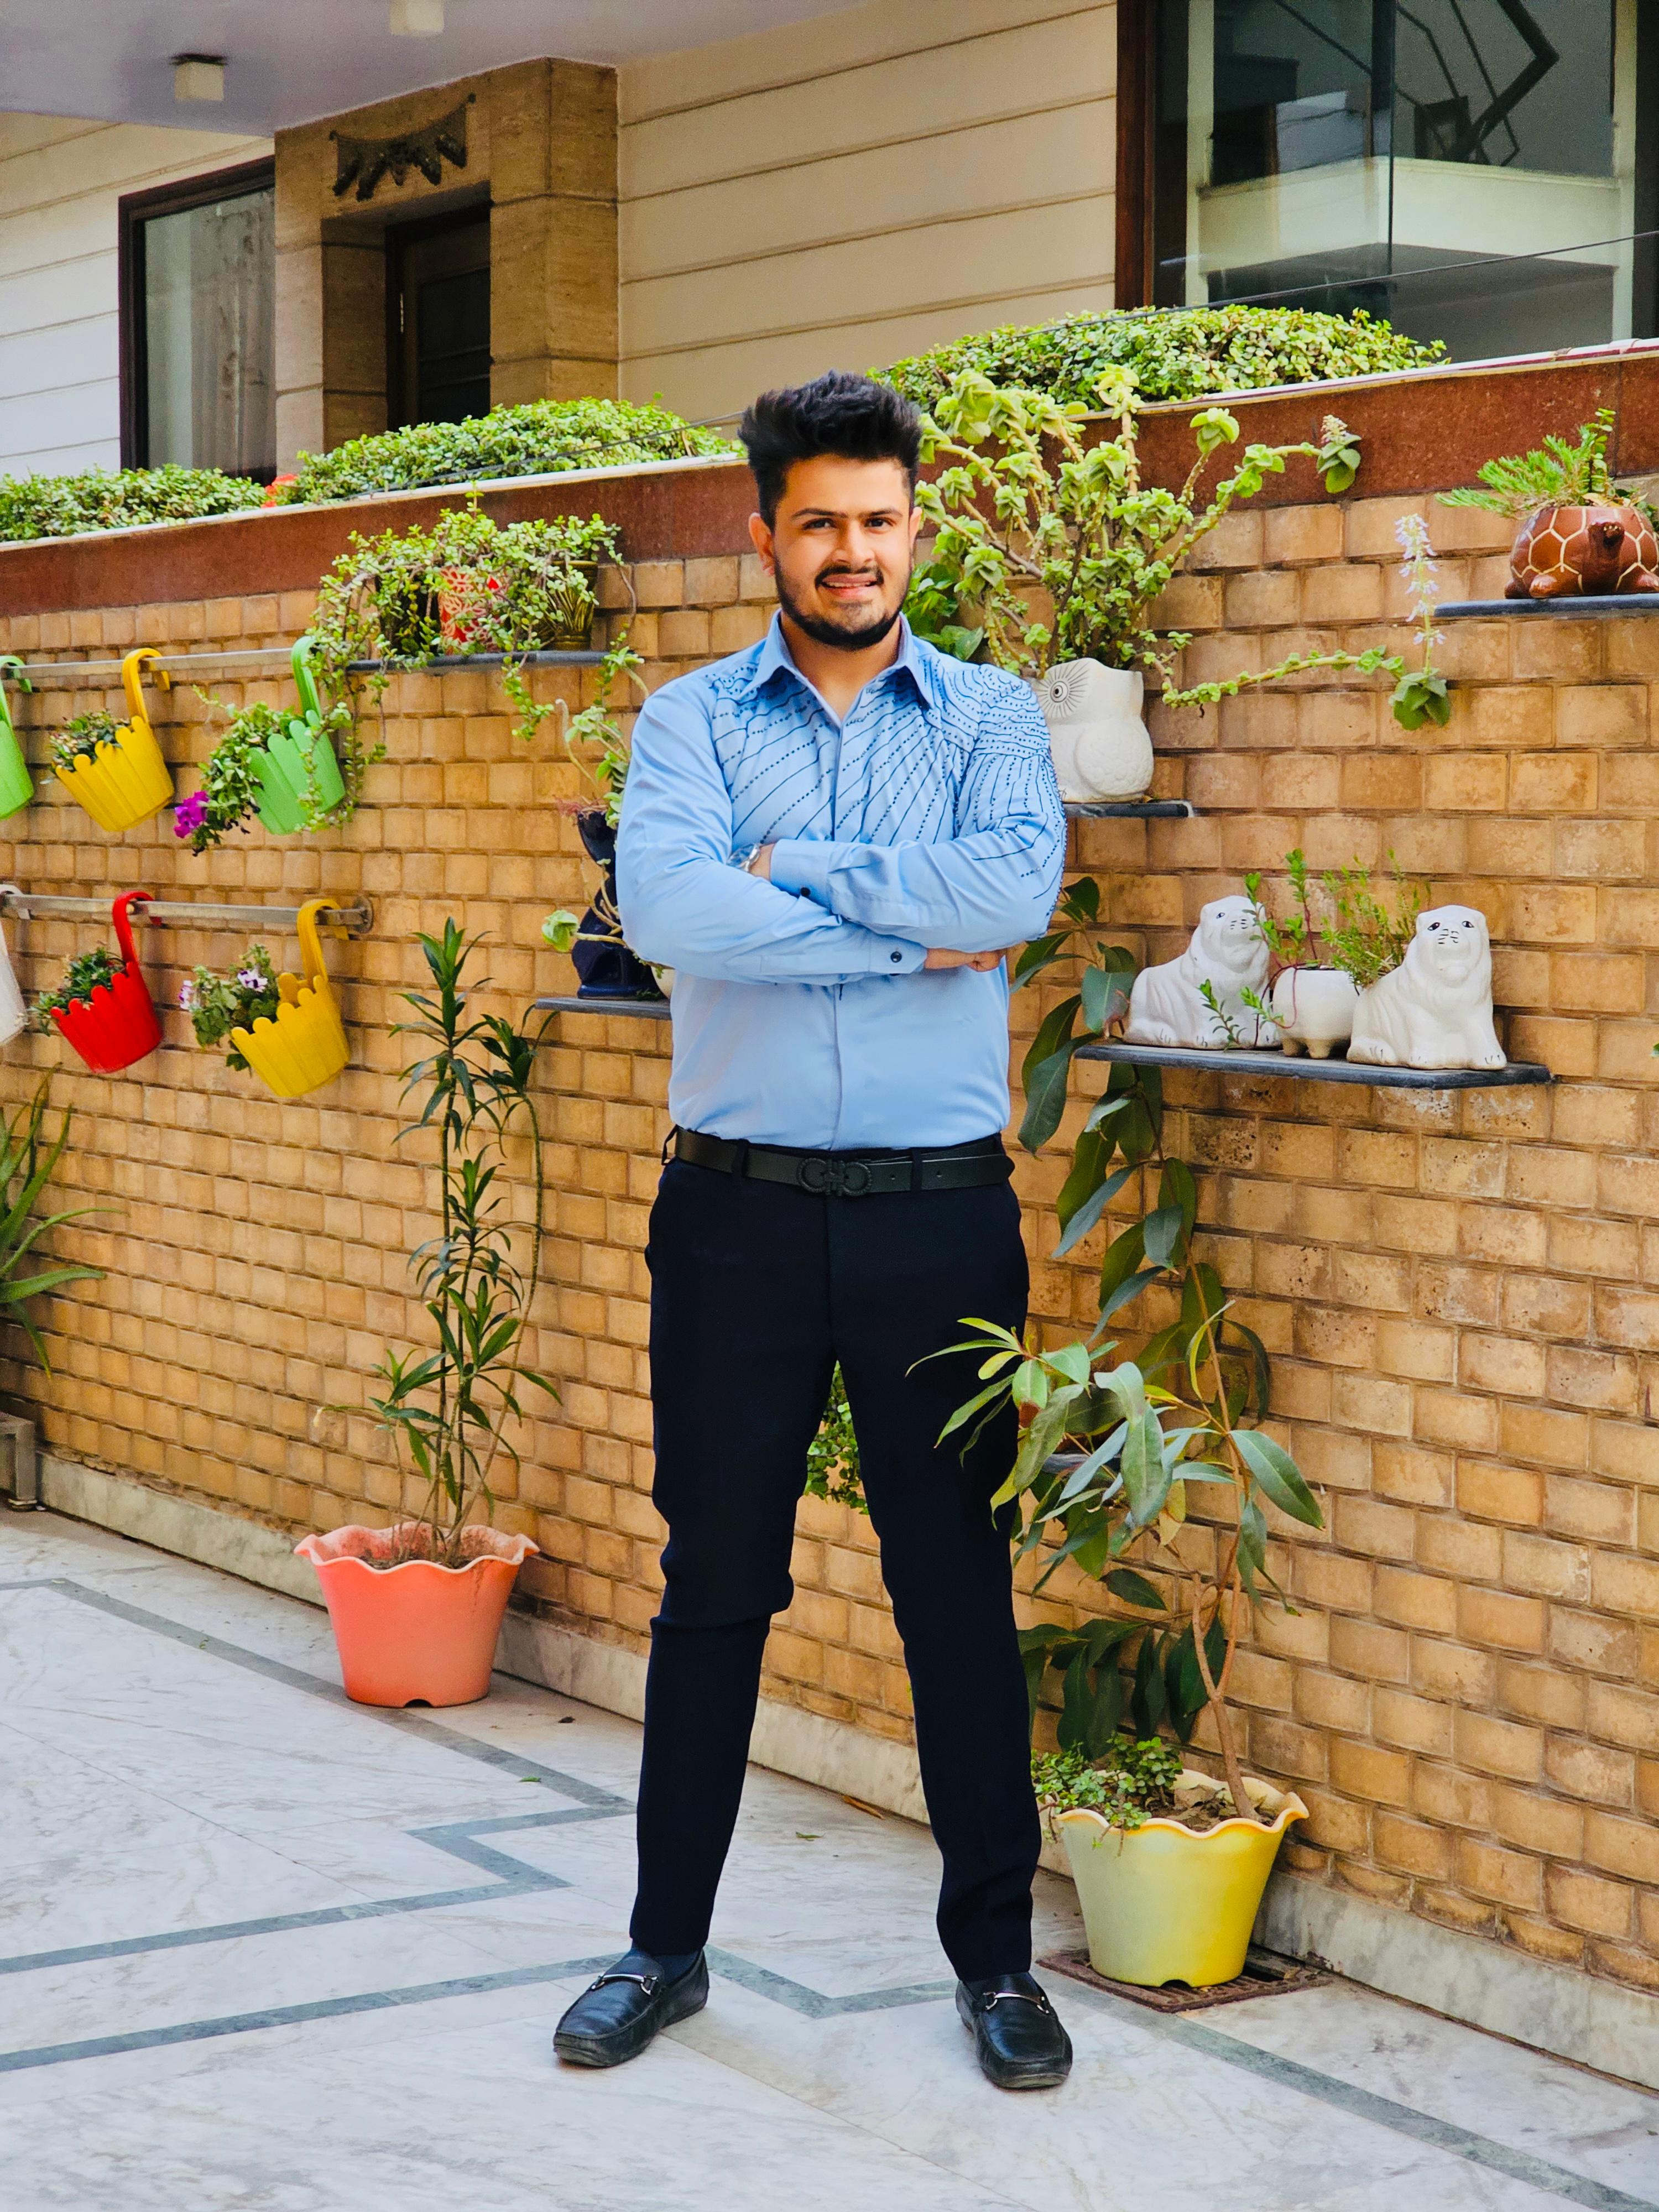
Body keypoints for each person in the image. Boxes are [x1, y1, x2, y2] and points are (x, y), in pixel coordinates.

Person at [552, 370, 1071, 2090]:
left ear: (916, 527)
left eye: (882, 519)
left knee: (956, 1590)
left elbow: (1013, 893)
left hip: (940, 1221)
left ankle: (997, 1967)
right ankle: (662, 1950)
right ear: (766, 531)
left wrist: (791, 875)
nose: (856, 549)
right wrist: (907, 926)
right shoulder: (691, 722)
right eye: (823, 522)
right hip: (737, 1220)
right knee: (714, 1587)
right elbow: (670, 907)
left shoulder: (989, 717)